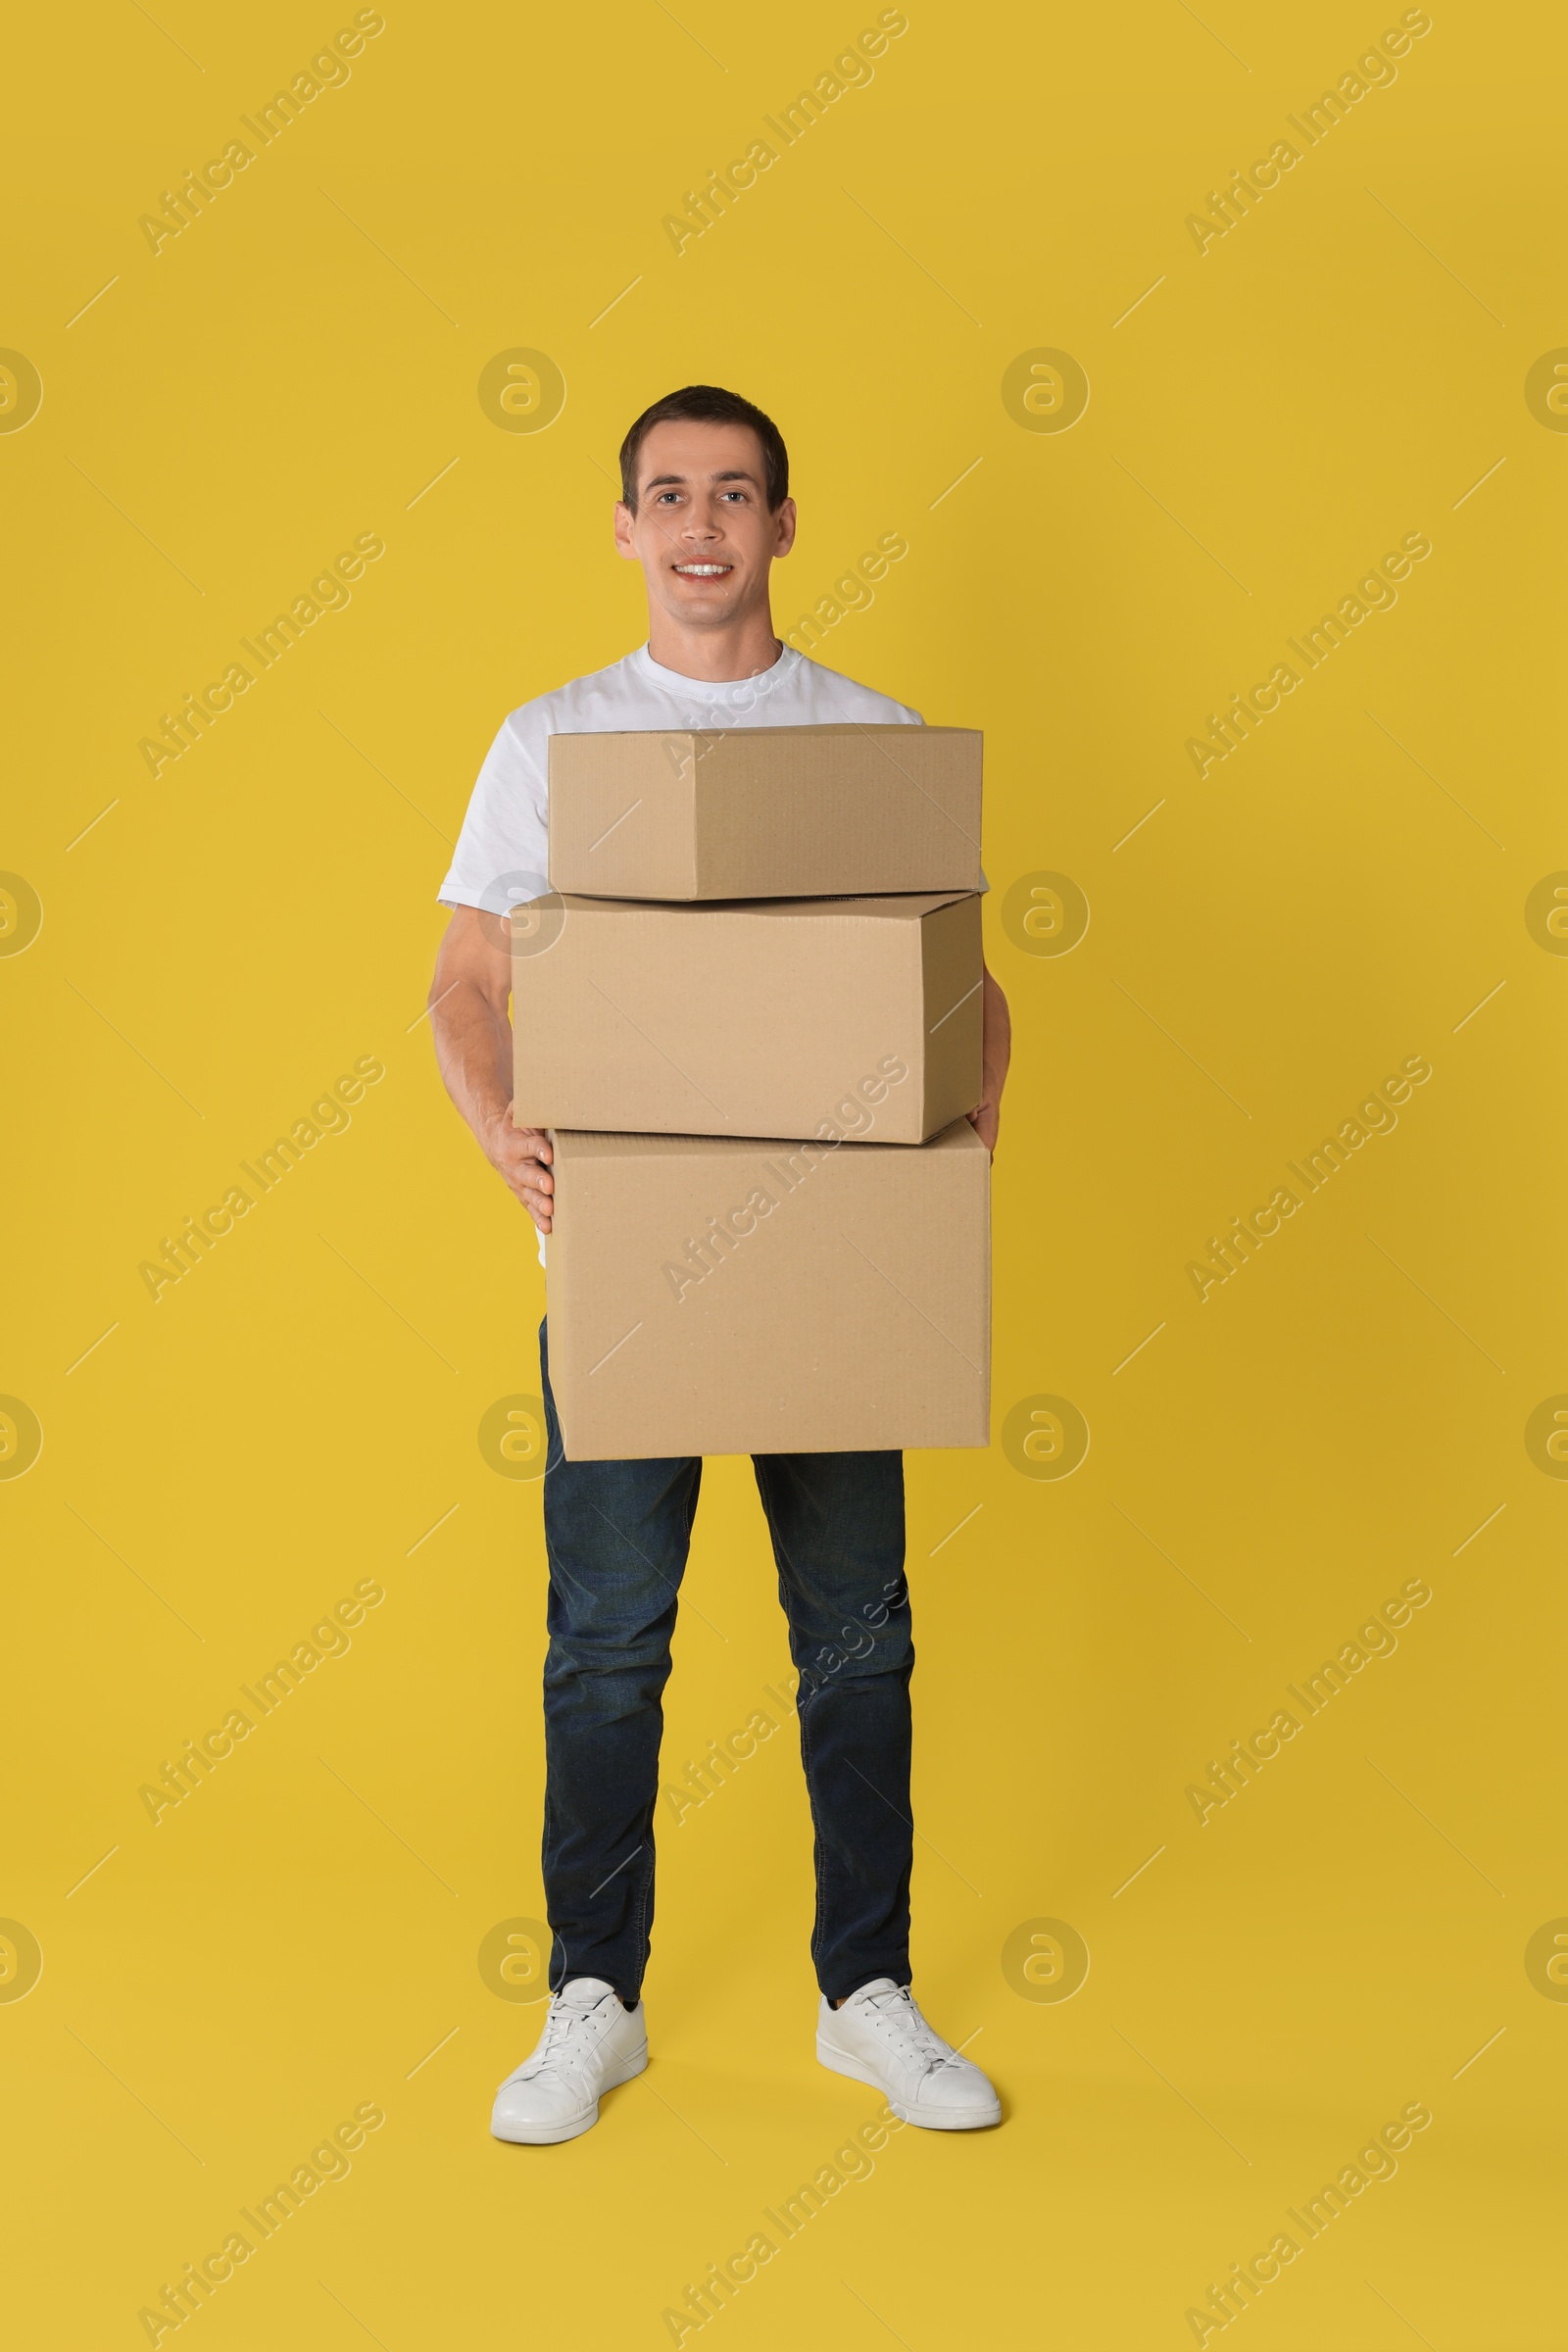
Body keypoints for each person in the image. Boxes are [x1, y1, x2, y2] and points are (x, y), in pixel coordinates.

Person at [429, 384, 1011, 2146]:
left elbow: (964, 988)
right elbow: (466, 980)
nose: (700, 526)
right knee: (607, 1643)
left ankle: (869, 1996)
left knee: (858, 1639)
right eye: (668, 495)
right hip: (625, 1270)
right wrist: (493, 1122)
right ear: (624, 528)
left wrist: (966, 1156)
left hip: (831, 1277)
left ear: (779, 524)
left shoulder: (866, 736)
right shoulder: (553, 742)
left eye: (734, 495)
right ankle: (591, 1996)